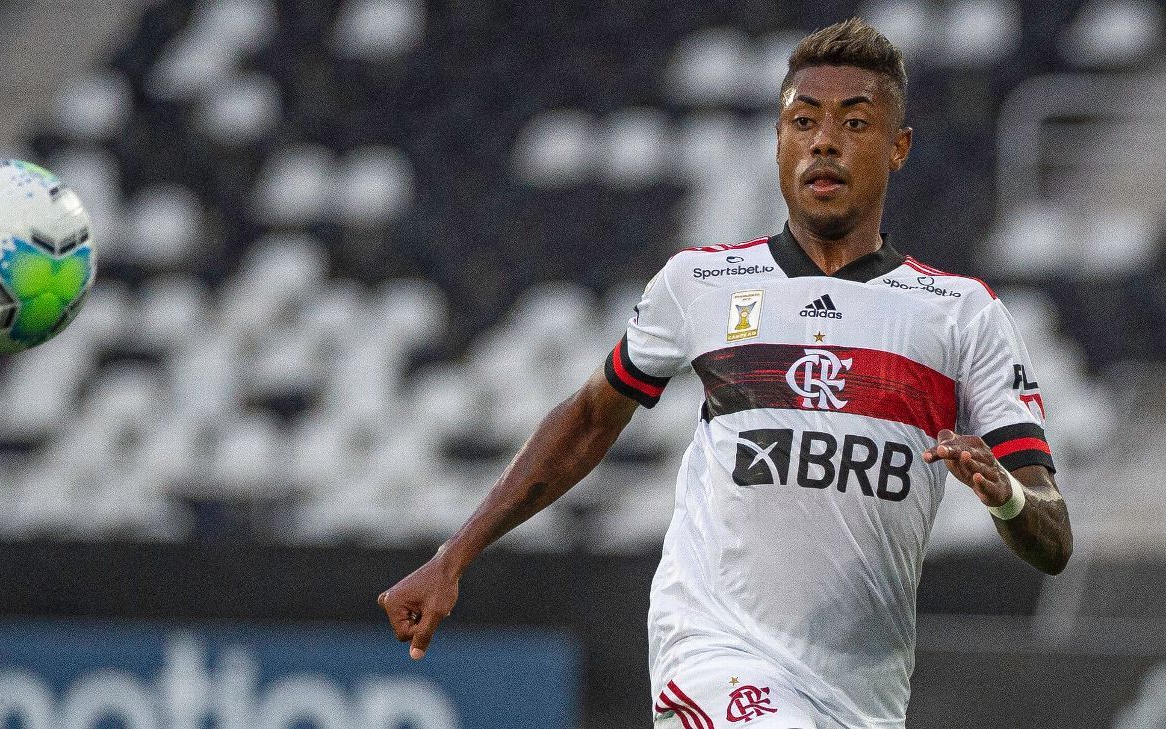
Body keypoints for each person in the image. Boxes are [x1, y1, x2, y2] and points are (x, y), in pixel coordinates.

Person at [378, 17, 1072, 729]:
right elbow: (588, 420)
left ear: (898, 147)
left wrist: (1006, 495)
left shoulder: (960, 315)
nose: (824, 142)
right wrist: (453, 556)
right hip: (714, 650)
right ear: (778, 142)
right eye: (803, 121)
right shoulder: (701, 283)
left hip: (861, 698)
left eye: (855, 123)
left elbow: (1053, 538)